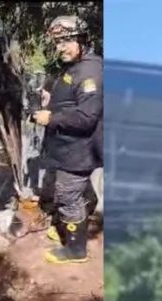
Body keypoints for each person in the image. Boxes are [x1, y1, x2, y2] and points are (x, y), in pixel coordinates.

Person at [33, 15, 103, 264]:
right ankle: (71, 226)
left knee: (67, 196)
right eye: (58, 42)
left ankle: (75, 250)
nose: (61, 47)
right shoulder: (76, 65)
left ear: (82, 39)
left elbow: (86, 117)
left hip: (79, 149)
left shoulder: (89, 72)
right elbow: (71, 99)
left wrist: (50, 118)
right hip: (69, 148)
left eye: (67, 41)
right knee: (78, 190)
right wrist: (49, 99)